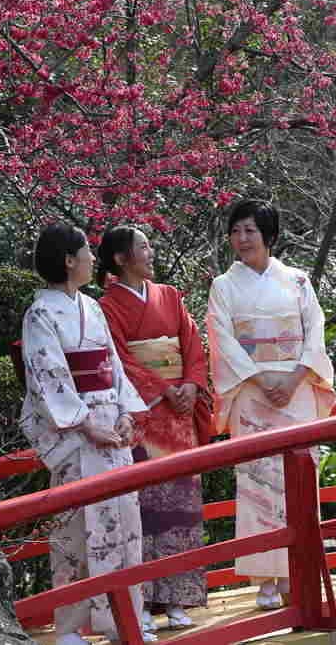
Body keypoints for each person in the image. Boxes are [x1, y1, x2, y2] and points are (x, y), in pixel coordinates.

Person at [17, 223, 156, 645]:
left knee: (124, 526)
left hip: (111, 429)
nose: (94, 259)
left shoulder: (92, 308)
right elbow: (48, 377)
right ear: (68, 260)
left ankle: (125, 620)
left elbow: (111, 366)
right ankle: (69, 626)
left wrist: (126, 413)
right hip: (78, 433)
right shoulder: (40, 313)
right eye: (86, 252)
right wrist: (85, 422)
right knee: (76, 530)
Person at [206, 199, 336, 610]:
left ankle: (298, 571)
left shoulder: (297, 281)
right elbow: (222, 341)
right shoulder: (223, 287)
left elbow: (314, 330)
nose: (242, 239)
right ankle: (265, 578)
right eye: (236, 231)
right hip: (252, 388)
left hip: (296, 388)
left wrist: (298, 375)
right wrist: (261, 378)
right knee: (258, 483)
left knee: (299, 477)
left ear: (269, 235)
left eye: (250, 230)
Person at [97, 225, 213, 633]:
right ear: (120, 258)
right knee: (146, 509)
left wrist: (190, 385)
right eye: (143, 247)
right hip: (146, 415)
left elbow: (193, 344)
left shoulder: (171, 296)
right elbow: (117, 358)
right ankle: (143, 601)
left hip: (180, 414)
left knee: (182, 507)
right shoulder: (107, 306)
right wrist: (163, 388)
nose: (151, 252)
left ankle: (178, 598)